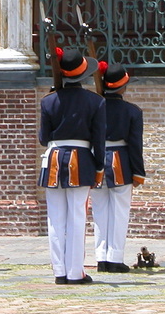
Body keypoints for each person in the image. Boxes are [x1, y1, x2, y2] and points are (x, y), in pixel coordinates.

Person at [38, 47, 106, 285]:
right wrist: (99, 167)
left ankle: (59, 272)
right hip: (81, 159)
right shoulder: (96, 101)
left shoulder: (48, 101)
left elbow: (43, 138)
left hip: (54, 159)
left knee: (55, 220)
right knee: (77, 218)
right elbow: (98, 140)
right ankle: (75, 272)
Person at [89, 63, 146, 273]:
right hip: (120, 161)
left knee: (99, 213)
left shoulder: (94, 106)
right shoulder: (132, 111)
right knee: (119, 213)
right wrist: (139, 172)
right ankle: (114, 258)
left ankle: (101, 258)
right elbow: (135, 145)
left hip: (97, 161)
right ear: (123, 87)